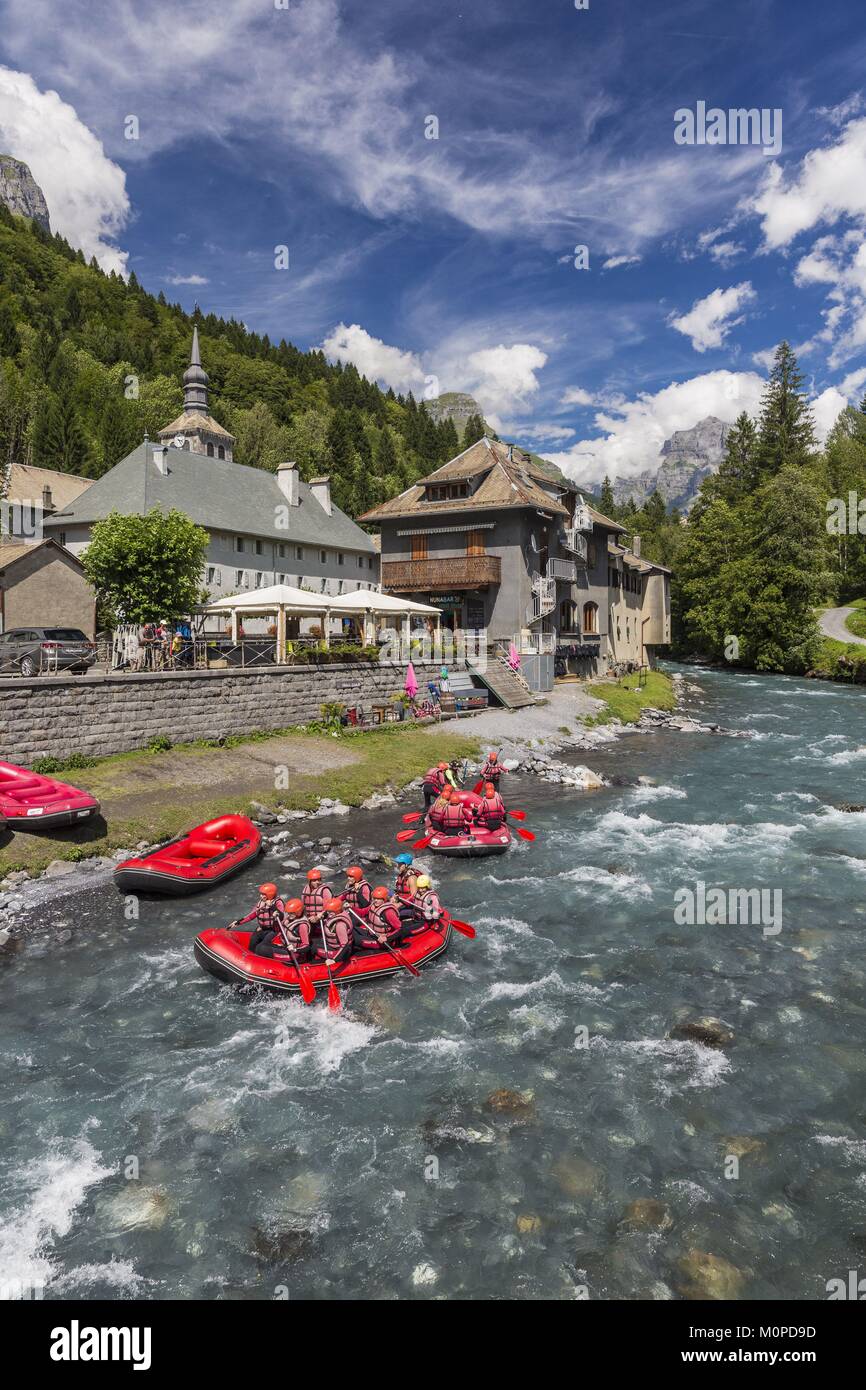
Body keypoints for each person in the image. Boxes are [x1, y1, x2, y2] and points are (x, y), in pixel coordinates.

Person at [230, 883, 286, 955]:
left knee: (261, 947)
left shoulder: (278, 903)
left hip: (273, 931)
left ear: (269, 894)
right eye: (261, 894)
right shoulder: (260, 903)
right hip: (262, 928)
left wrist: (272, 906)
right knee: (252, 943)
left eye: (263, 894)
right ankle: (251, 958)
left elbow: (281, 917)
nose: (260, 896)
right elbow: (251, 915)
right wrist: (238, 922)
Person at [352, 885, 403, 950]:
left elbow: (400, 929)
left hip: (381, 941)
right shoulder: (373, 906)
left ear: (384, 899)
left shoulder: (388, 912)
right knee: (352, 929)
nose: (376, 900)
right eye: (374, 898)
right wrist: (351, 907)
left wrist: (387, 938)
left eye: (378, 899)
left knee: (356, 939)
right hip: (372, 933)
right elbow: (362, 912)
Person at [313, 896, 353, 965]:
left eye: (331, 911)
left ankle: (315, 964)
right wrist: (321, 916)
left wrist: (334, 960)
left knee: (313, 948)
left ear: (337, 910)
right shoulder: (335, 914)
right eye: (328, 911)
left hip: (338, 951)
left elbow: (345, 945)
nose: (329, 913)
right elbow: (328, 914)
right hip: (332, 945)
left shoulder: (340, 925)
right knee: (313, 941)